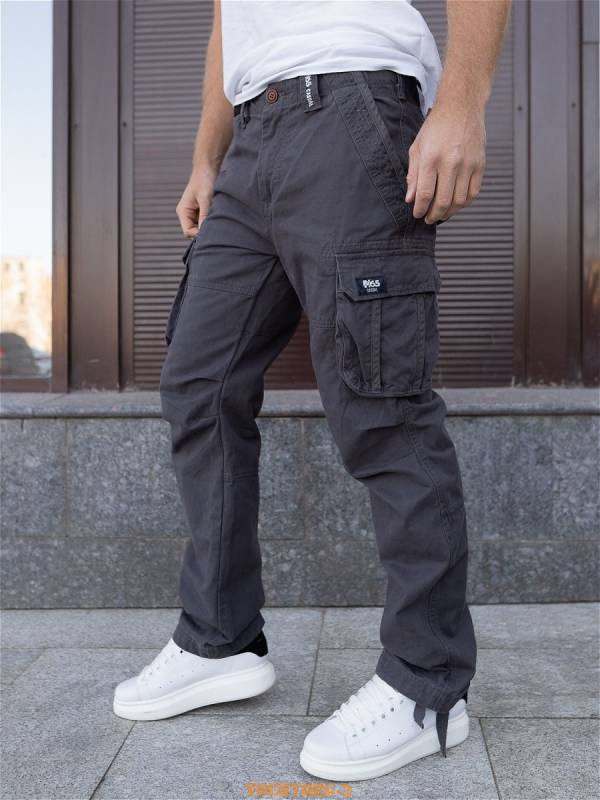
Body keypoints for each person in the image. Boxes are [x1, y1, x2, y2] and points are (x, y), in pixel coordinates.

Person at [113, 0, 509, 781]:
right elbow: (229, 23)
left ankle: (428, 683)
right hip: (251, 141)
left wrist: (462, 106)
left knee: (381, 403)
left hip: (352, 103)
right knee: (199, 383)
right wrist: (207, 158)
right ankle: (218, 639)